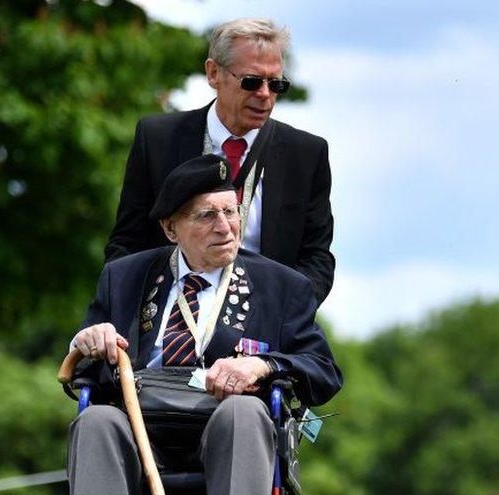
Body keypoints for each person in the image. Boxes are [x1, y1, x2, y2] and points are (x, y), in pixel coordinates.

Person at [67, 154, 342, 495]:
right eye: (206, 215)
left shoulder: (281, 286)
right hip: (141, 432)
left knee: (245, 412)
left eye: (231, 211)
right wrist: (87, 343)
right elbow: (82, 374)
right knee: (97, 422)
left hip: (228, 433)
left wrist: (263, 366)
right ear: (170, 228)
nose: (225, 226)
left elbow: (323, 371)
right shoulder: (124, 277)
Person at [104, 18, 335, 306]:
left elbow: (317, 259)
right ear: (213, 73)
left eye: (276, 84)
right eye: (252, 82)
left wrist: (283, 317)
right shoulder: (157, 139)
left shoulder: (306, 154)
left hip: (265, 324)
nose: (264, 94)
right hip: (170, 319)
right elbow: (126, 243)